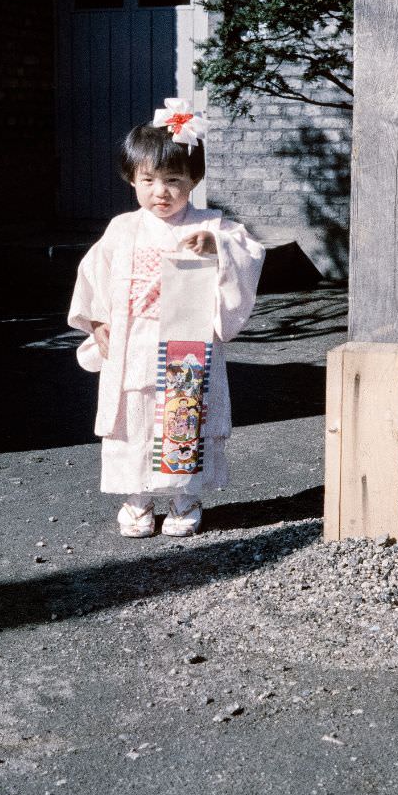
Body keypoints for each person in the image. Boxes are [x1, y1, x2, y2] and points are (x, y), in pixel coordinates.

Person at [68, 98, 265, 538]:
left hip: (186, 339)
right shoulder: (123, 228)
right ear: (132, 180)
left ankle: (183, 496)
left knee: (182, 414)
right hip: (134, 337)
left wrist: (217, 249)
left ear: (194, 179)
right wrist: (99, 322)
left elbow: (249, 252)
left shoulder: (212, 224)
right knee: (135, 413)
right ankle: (136, 497)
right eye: (149, 180)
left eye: (174, 180)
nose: (161, 191)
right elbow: (94, 274)